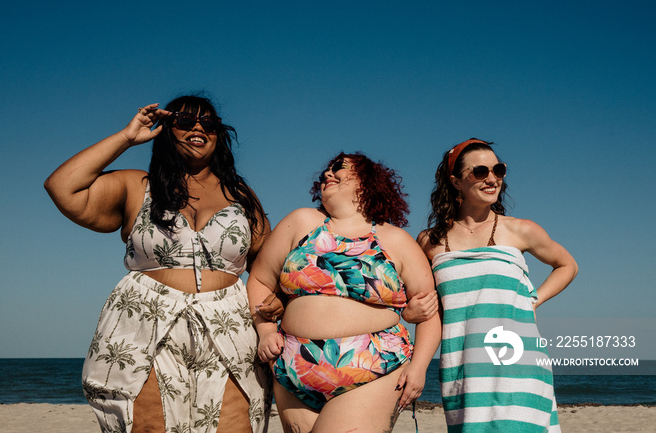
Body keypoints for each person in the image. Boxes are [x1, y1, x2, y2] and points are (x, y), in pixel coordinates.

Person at [44, 96, 271, 433]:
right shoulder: (137, 186)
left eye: (208, 123)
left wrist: (275, 304)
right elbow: (62, 187)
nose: (197, 127)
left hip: (230, 328)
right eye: (184, 120)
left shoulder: (241, 196)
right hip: (145, 326)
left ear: (218, 135)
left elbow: (270, 267)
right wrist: (127, 137)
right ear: (166, 128)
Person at [246, 152, 441, 432]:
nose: (327, 173)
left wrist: (420, 368)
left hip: (374, 369)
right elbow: (259, 281)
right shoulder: (300, 221)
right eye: (325, 170)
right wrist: (265, 330)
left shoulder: (396, 239)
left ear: (366, 181)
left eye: (339, 168)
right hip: (294, 370)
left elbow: (429, 313)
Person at [416, 138, 578, 432]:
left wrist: (533, 299)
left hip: (519, 363)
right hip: (462, 368)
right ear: (455, 181)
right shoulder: (429, 241)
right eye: (480, 171)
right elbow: (427, 305)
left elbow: (567, 265)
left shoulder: (520, 229)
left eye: (498, 169)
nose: (492, 178)